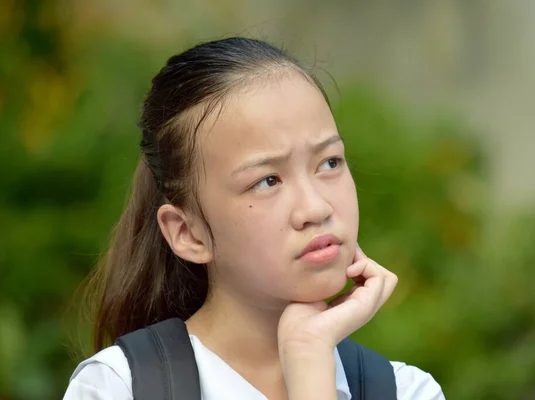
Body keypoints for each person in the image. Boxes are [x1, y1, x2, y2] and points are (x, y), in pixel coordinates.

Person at [63, 37, 445, 400]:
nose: (316, 208)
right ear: (188, 233)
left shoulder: (406, 390)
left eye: (329, 162)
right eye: (267, 181)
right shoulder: (119, 387)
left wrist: (310, 357)